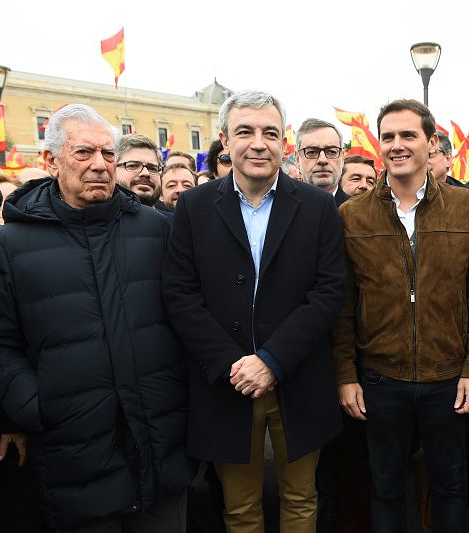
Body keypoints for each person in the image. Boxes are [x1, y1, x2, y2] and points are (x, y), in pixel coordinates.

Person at [0, 104, 195, 531]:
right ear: (50, 161)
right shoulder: (11, 243)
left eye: (108, 154)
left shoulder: (156, 229)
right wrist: (33, 407)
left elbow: (187, 315)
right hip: (74, 455)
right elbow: (3, 341)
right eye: (84, 152)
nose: (100, 165)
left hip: (159, 442)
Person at [162, 90, 346, 533]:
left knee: (301, 500)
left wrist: (272, 360)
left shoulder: (318, 207)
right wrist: (235, 364)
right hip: (227, 383)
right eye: (245, 131)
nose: (258, 143)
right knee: (240, 508)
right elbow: (180, 294)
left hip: (298, 377)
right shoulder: (194, 206)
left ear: (284, 142)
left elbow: (328, 291)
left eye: (269, 132)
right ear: (225, 140)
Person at [334, 98, 469, 532]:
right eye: (388, 136)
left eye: (408, 135)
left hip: (449, 378)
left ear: (431, 142)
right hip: (381, 380)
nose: (397, 145)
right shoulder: (353, 215)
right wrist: (346, 375)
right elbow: (344, 304)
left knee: (449, 485)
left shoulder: (466, 207)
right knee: (384, 486)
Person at [295, 118, 349, 206]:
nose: (322, 160)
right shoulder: (279, 208)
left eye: (331, 152)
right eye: (312, 152)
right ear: (297, 159)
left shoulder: (359, 214)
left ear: (342, 158)